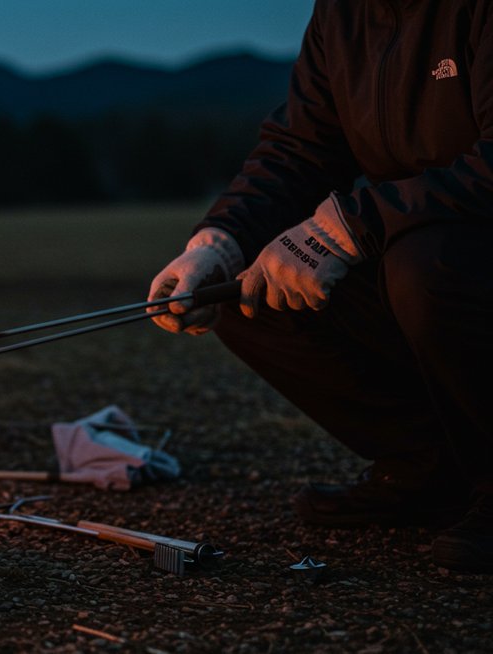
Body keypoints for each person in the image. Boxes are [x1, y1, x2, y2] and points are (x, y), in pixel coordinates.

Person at [148, 0, 492, 573]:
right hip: (411, 239)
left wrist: (354, 223)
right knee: (243, 288)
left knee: (425, 265)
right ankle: (429, 468)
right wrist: (219, 242)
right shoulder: (344, 13)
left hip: (457, 253)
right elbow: (301, 147)